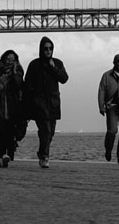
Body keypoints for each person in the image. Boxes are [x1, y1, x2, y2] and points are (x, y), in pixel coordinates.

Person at [22, 36, 69, 168]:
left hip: (53, 102)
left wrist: (54, 68)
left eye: (50, 48)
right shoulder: (34, 64)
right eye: (45, 48)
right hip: (38, 103)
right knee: (46, 130)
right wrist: (28, 103)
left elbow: (64, 79)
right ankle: (45, 157)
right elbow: (27, 85)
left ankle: (42, 151)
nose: (48, 51)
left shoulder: (57, 63)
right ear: (41, 49)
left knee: (51, 132)